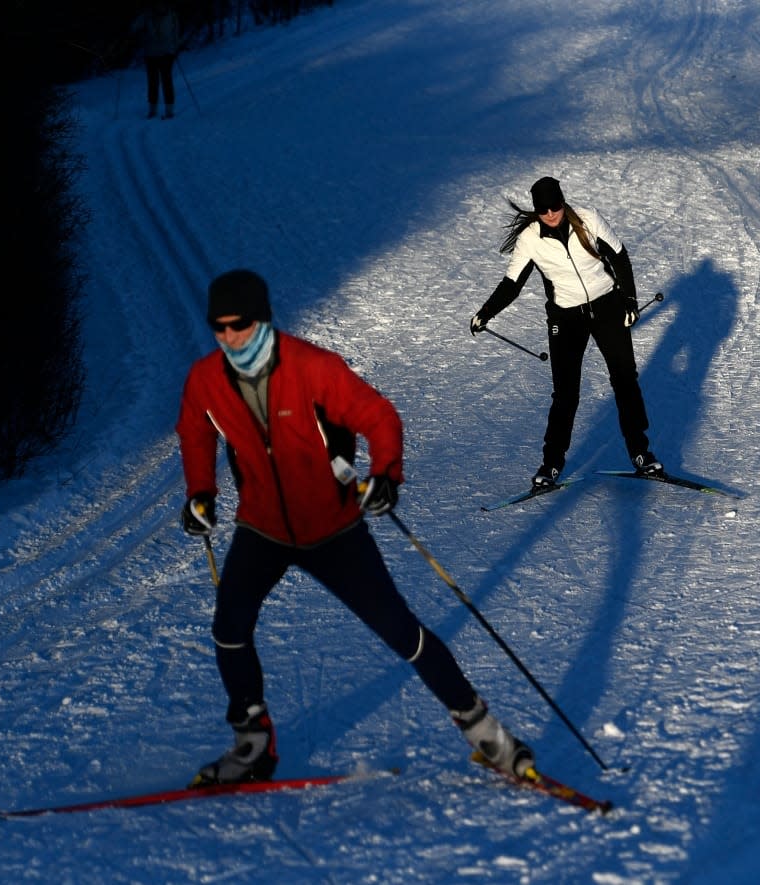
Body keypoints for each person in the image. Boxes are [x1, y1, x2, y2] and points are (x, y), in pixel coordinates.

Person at [176, 269, 533, 786]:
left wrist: (386, 474)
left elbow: (379, 416)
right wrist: (200, 493)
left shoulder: (311, 367)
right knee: (229, 630)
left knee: (402, 632)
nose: (228, 336)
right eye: (219, 327)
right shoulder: (206, 379)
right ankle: (252, 745)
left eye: (239, 324)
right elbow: (194, 431)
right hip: (262, 528)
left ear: (262, 319)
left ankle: (488, 736)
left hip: (333, 529)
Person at [471, 176, 663, 488]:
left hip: (606, 306)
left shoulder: (588, 219)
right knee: (565, 393)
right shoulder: (531, 239)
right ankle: (551, 464)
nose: (550, 213)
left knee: (625, 379)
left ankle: (641, 453)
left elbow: (619, 256)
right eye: (543, 209)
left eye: (555, 205)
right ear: (536, 211)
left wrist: (629, 300)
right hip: (566, 316)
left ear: (563, 201)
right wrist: (486, 311)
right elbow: (512, 283)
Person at [134, 2, 180, 119]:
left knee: (165, 81)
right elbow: (134, 28)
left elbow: (176, 33)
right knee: (153, 82)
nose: (160, 6)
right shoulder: (147, 15)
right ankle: (153, 110)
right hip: (152, 53)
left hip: (165, 53)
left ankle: (168, 110)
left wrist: (175, 48)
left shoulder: (172, 15)